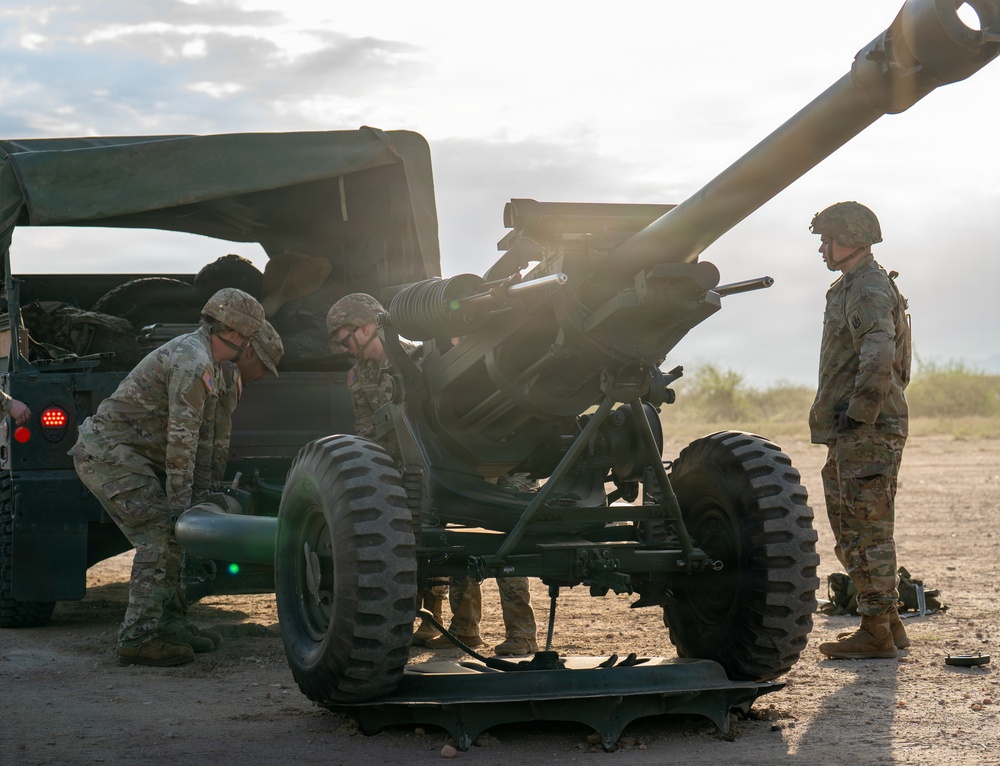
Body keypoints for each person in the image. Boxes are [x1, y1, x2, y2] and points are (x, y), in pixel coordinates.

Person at [71, 288, 279, 667]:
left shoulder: (212, 365)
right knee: (161, 535)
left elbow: (206, 444)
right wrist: (183, 508)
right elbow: (182, 445)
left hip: (128, 457)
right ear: (238, 336)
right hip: (109, 455)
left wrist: (201, 498)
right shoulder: (192, 361)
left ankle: (170, 625)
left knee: (174, 537)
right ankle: (139, 637)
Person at [326, 293, 539, 656]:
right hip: (415, 469)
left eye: (346, 337)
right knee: (441, 547)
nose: (345, 347)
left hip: (469, 457)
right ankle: (462, 628)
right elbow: (367, 432)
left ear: (367, 326)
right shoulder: (358, 376)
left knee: (506, 545)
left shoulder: (421, 358)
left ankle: (521, 632)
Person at [808, 201, 911, 660]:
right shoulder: (854, 284)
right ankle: (887, 623)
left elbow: (878, 352)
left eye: (827, 239)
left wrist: (861, 411)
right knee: (853, 526)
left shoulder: (867, 286)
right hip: (854, 427)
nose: (823, 248)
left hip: (865, 428)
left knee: (866, 530)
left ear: (849, 238)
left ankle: (876, 630)